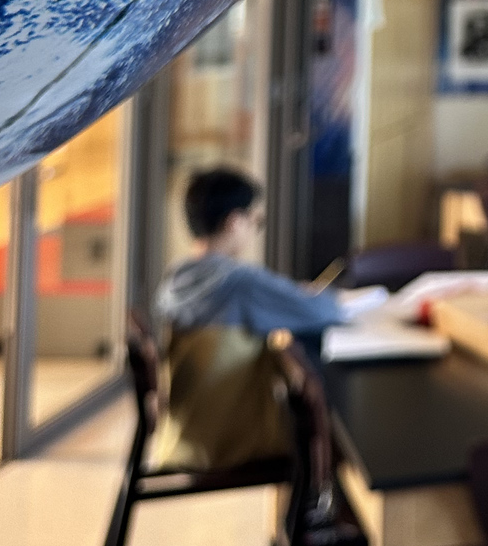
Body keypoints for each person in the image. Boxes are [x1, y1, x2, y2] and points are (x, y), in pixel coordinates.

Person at [151, 167, 360, 470]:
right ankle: (318, 512)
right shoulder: (238, 282)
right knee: (332, 432)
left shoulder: (177, 278)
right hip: (229, 439)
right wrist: (301, 296)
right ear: (235, 222)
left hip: (185, 432)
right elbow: (326, 311)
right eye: (256, 221)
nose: (255, 229)